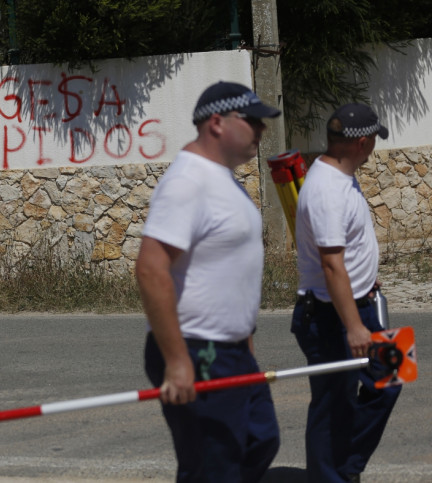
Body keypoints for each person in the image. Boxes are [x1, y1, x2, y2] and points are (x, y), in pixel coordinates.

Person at [136, 81, 281, 482]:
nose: (261, 130)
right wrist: (178, 360)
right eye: (253, 120)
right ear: (217, 123)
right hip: (198, 352)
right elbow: (150, 269)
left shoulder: (222, 179)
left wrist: (244, 340)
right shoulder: (188, 182)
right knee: (212, 466)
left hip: (232, 351)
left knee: (260, 439)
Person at [291, 103, 402, 483]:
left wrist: (367, 276)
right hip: (332, 315)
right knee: (332, 404)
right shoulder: (325, 188)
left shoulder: (340, 177)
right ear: (363, 141)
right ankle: (331, 476)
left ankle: (344, 468)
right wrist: (353, 325)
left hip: (360, 303)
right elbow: (331, 264)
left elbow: (346, 253)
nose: (373, 147)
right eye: (373, 140)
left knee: (390, 378)